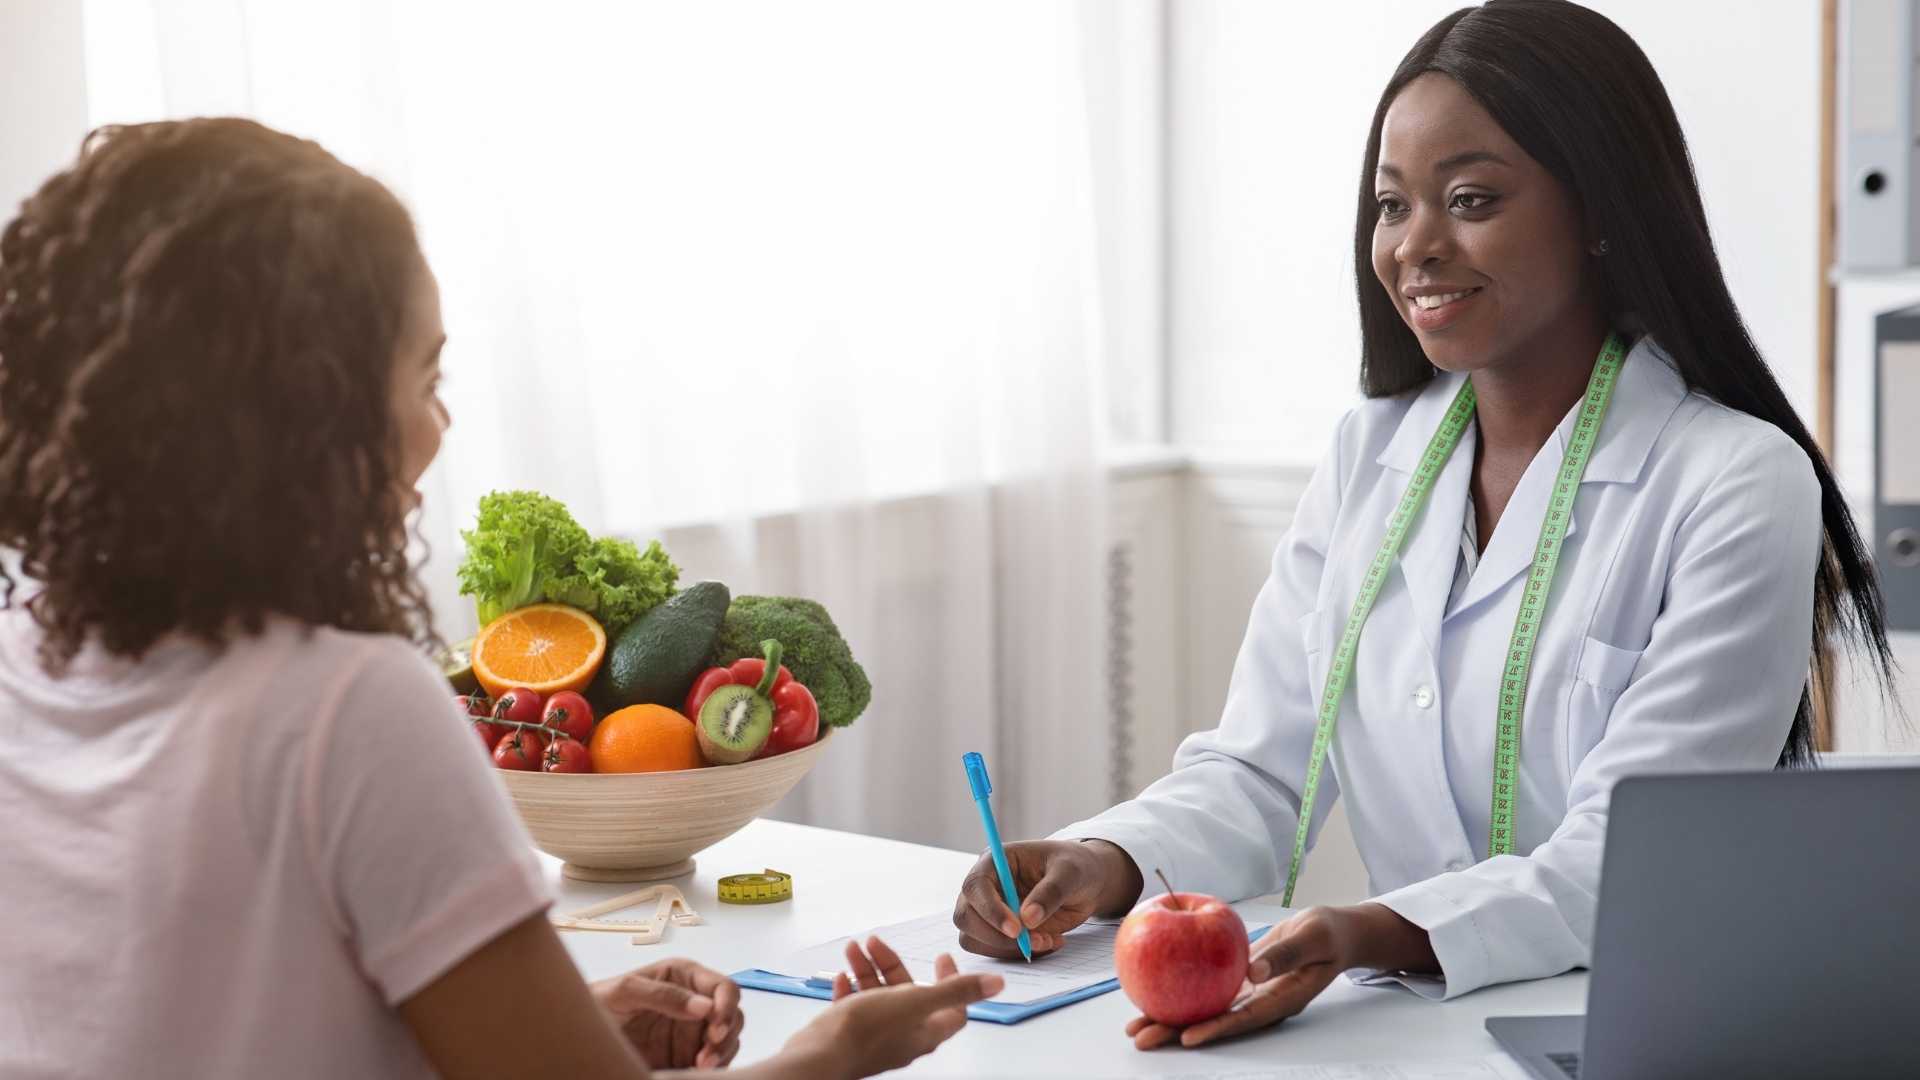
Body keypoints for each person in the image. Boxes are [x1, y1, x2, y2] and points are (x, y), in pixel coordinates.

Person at [951, 0, 1899, 1051]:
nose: (1417, 247)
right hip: (1406, 1034)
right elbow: (1260, 771)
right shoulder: (1371, 456)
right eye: (1393, 206)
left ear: (1598, 210)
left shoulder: (1734, 480)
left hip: (1637, 1035)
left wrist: (1381, 930)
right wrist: (1108, 861)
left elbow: (1636, 855)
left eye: (1471, 199)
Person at [0, 117, 1000, 1079]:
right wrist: (829, 1056)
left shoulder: (21, 659)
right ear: (305, 424)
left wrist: (545, 1032)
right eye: (423, 378)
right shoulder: (347, 708)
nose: (437, 430)